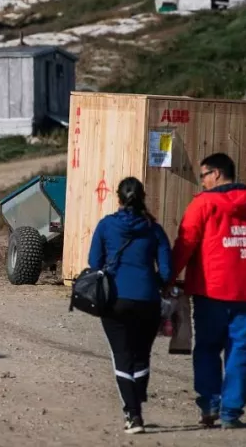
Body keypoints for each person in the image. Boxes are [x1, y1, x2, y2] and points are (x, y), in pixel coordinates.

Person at [170, 153, 246, 430]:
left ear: (217, 173)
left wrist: (166, 277)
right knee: (242, 350)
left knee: (208, 348)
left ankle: (210, 403)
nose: (203, 182)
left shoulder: (203, 204)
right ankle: (231, 413)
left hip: (212, 288)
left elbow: (185, 244)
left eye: (204, 176)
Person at [88, 176, 173, 435]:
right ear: (143, 197)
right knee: (141, 356)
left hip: (114, 300)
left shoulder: (106, 226)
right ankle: (137, 400)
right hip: (147, 301)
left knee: (122, 356)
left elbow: (94, 263)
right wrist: (152, 281)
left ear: (118, 199)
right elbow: (167, 272)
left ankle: (133, 415)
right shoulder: (154, 229)